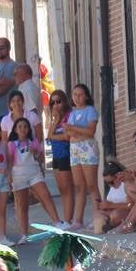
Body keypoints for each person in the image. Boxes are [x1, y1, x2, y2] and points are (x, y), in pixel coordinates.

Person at [8, 117, 64, 244]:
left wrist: (36, 153)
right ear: (15, 130)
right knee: (22, 205)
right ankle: (24, 234)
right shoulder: (11, 144)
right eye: (20, 127)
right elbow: (10, 161)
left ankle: (57, 222)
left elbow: (41, 159)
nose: (23, 129)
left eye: (25, 127)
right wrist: (9, 176)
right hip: (18, 174)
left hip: (34, 172)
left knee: (45, 195)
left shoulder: (33, 142)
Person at [64, 83, 101, 230]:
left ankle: (98, 216)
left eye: (80, 94)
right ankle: (77, 220)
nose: (77, 98)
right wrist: (77, 132)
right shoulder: (72, 114)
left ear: (86, 96)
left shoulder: (90, 111)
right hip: (75, 149)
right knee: (79, 186)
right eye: (75, 95)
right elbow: (69, 135)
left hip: (88, 148)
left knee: (91, 184)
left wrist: (74, 129)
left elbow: (90, 131)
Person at [46, 89, 75, 226]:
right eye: (53, 103)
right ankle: (65, 218)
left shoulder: (69, 116)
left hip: (66, 154)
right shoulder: (56, 119)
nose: (56, 105)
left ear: (64, 102)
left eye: (58, 101)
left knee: (67, 188)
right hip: (56, 156)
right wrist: (55, 119)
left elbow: (67, 137)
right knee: (61, 188)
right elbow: (49, 136)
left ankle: (69, 219)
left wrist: (54, 136)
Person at [94, 161, 136, 234]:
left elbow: (130, 205)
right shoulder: (112, 188)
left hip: (125, 212)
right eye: (107, 183)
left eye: (111, 182)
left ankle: (123, 224)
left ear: (117, 176)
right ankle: (110, 225)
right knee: (98, 213)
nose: (110, 185)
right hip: (115, 211)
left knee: (115, 215)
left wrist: (111, 205)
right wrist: (105, 206)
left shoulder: (127, 185)